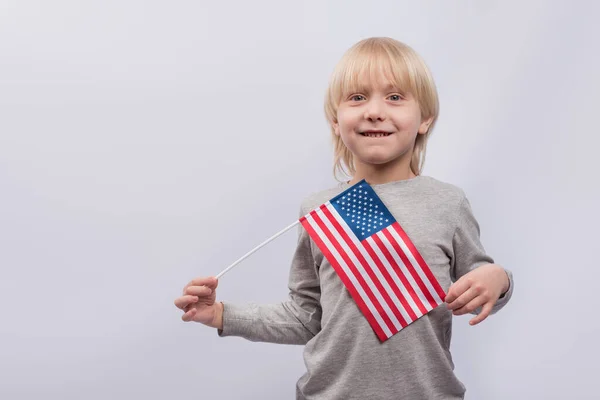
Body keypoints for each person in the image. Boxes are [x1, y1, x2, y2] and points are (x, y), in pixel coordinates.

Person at [174, 37, 514, 399]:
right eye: (357, 98)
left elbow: (481, 287)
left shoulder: (448, 202)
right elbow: (307, 316)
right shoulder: (321, 211)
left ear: (425, 119)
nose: (374, 111)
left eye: (395, 97)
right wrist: (221, 314)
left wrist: (499, 279)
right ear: (336, 121)